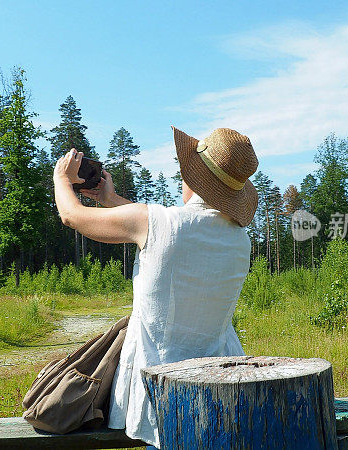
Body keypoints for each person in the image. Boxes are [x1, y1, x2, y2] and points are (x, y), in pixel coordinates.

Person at [52, 126, 259, 449]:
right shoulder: (239, 239)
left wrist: (61, 179)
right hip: (221, 376)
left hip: (161, 382)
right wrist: (112, 200)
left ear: (195, 179)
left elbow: (72, 215)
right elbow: (160, 227)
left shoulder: (157, 223)